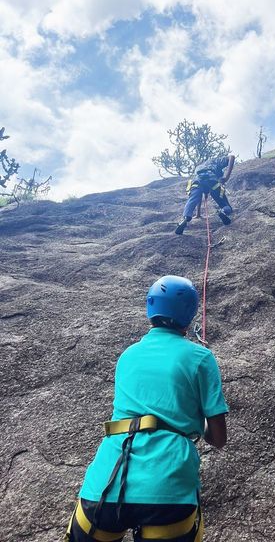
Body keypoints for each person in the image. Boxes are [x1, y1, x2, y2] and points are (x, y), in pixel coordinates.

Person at [65, 275, 228, 542]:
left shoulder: (128, 355)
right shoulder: (201, 358)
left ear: (150, 308)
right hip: (167, 488)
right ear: (190, 314)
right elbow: (218, 438)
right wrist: (198, 423)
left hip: (105, 483)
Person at [175, 154, 235, 235]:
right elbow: (232, 157)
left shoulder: (198, 168)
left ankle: (185, 218)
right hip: (212, 180)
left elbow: (199, 197)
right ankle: (224, 211)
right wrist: (226, 177)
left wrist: (198, 214)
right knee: (224, 203)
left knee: (192, 199)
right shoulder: (214, 161)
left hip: (196, 182)